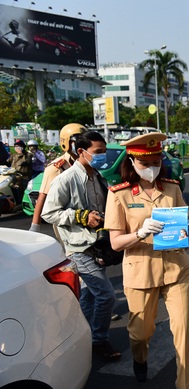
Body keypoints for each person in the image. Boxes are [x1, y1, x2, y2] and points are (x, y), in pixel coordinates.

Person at [104, 132, 189, 389]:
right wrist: (140, 232)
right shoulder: (119, 194)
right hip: (141, 271)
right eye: (146, 161)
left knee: (184, 332)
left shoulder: (171, 188)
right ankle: (140, 358)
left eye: (157, 160)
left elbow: (183, 222)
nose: (153, 166)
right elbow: (115, 243)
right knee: (140, 333)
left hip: (176, 268)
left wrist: (186, 228)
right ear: (133, 161)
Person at [41, 131, 121, 360]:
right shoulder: (65, 179)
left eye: (104, 152)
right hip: (78, 248)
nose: (102, 157)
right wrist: (81, 216)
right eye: (98, 152)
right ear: (81, 152)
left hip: (97, 245)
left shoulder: (97, 176)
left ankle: (81, 338)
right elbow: (49, 212)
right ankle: (98, 340)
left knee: (88, 296)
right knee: (106, 295)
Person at [29, 123, 85, 233]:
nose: (82, 145)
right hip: (67, 223)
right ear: (66, 143)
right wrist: (35, 227)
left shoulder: (89, 163)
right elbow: (42, 196)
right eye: (78, 141)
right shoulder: (56, 168)